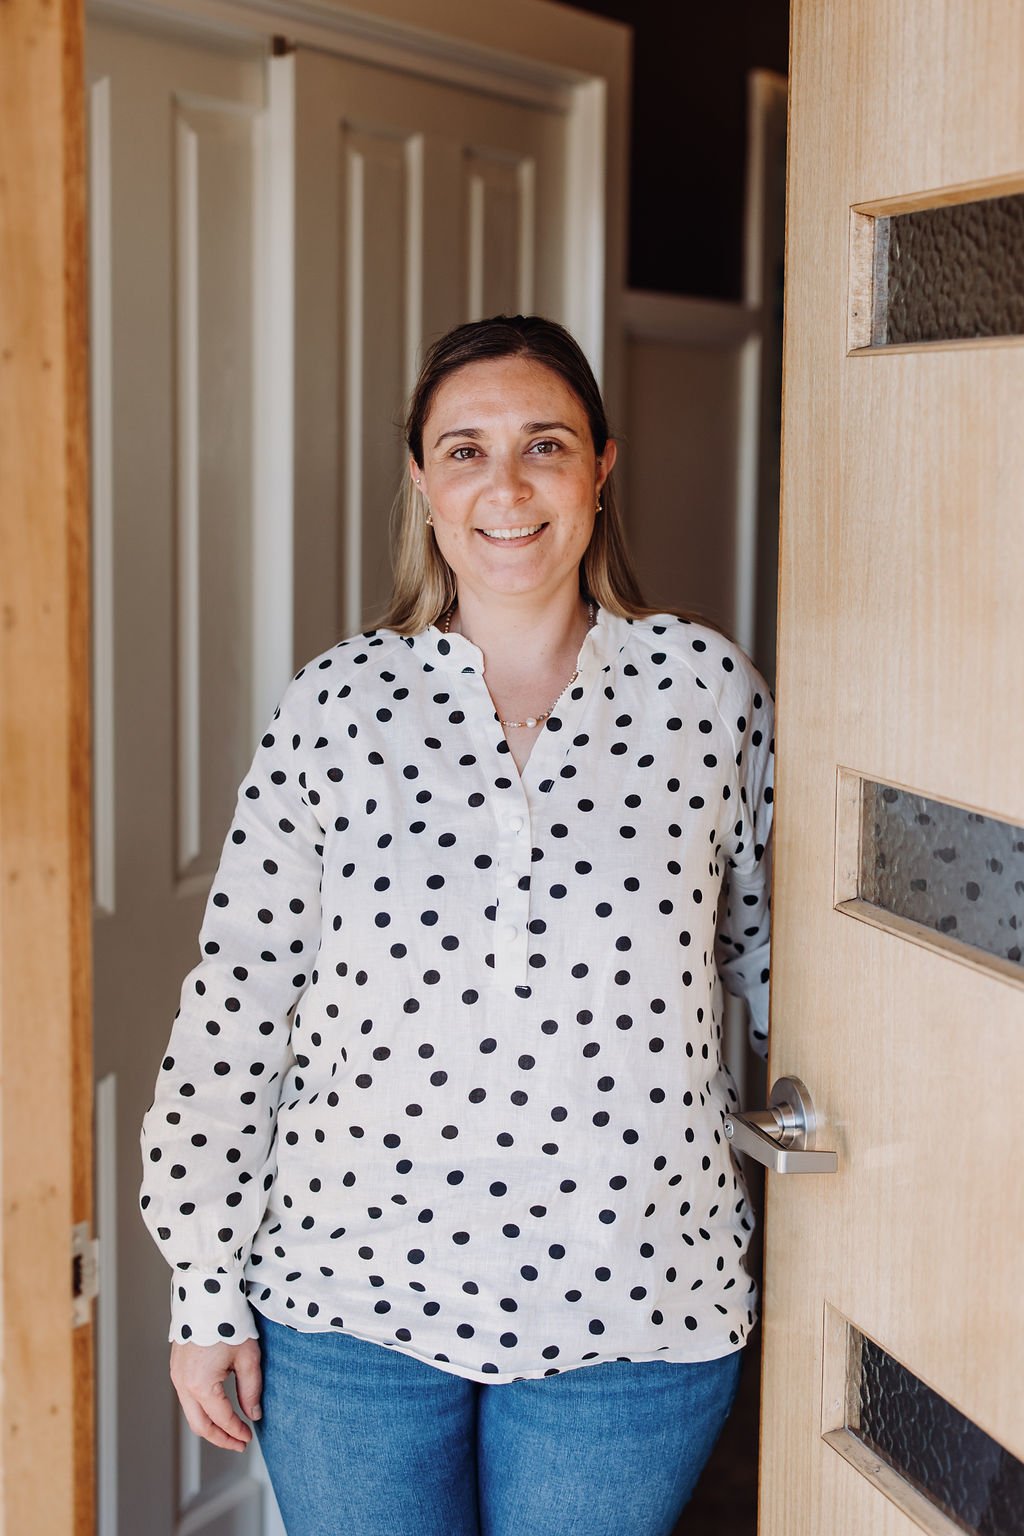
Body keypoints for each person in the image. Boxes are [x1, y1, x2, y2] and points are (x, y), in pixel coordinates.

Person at [140, 313, 774, 1536]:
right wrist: (204, 1286)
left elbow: (785, 964)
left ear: (600, 468)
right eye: (465, 449)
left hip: (634, 1307)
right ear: (423, 482)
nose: (507, 485)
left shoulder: (705, 693)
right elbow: (238, 1000)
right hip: (347, 1304)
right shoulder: (338, 706)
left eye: (544, 444)